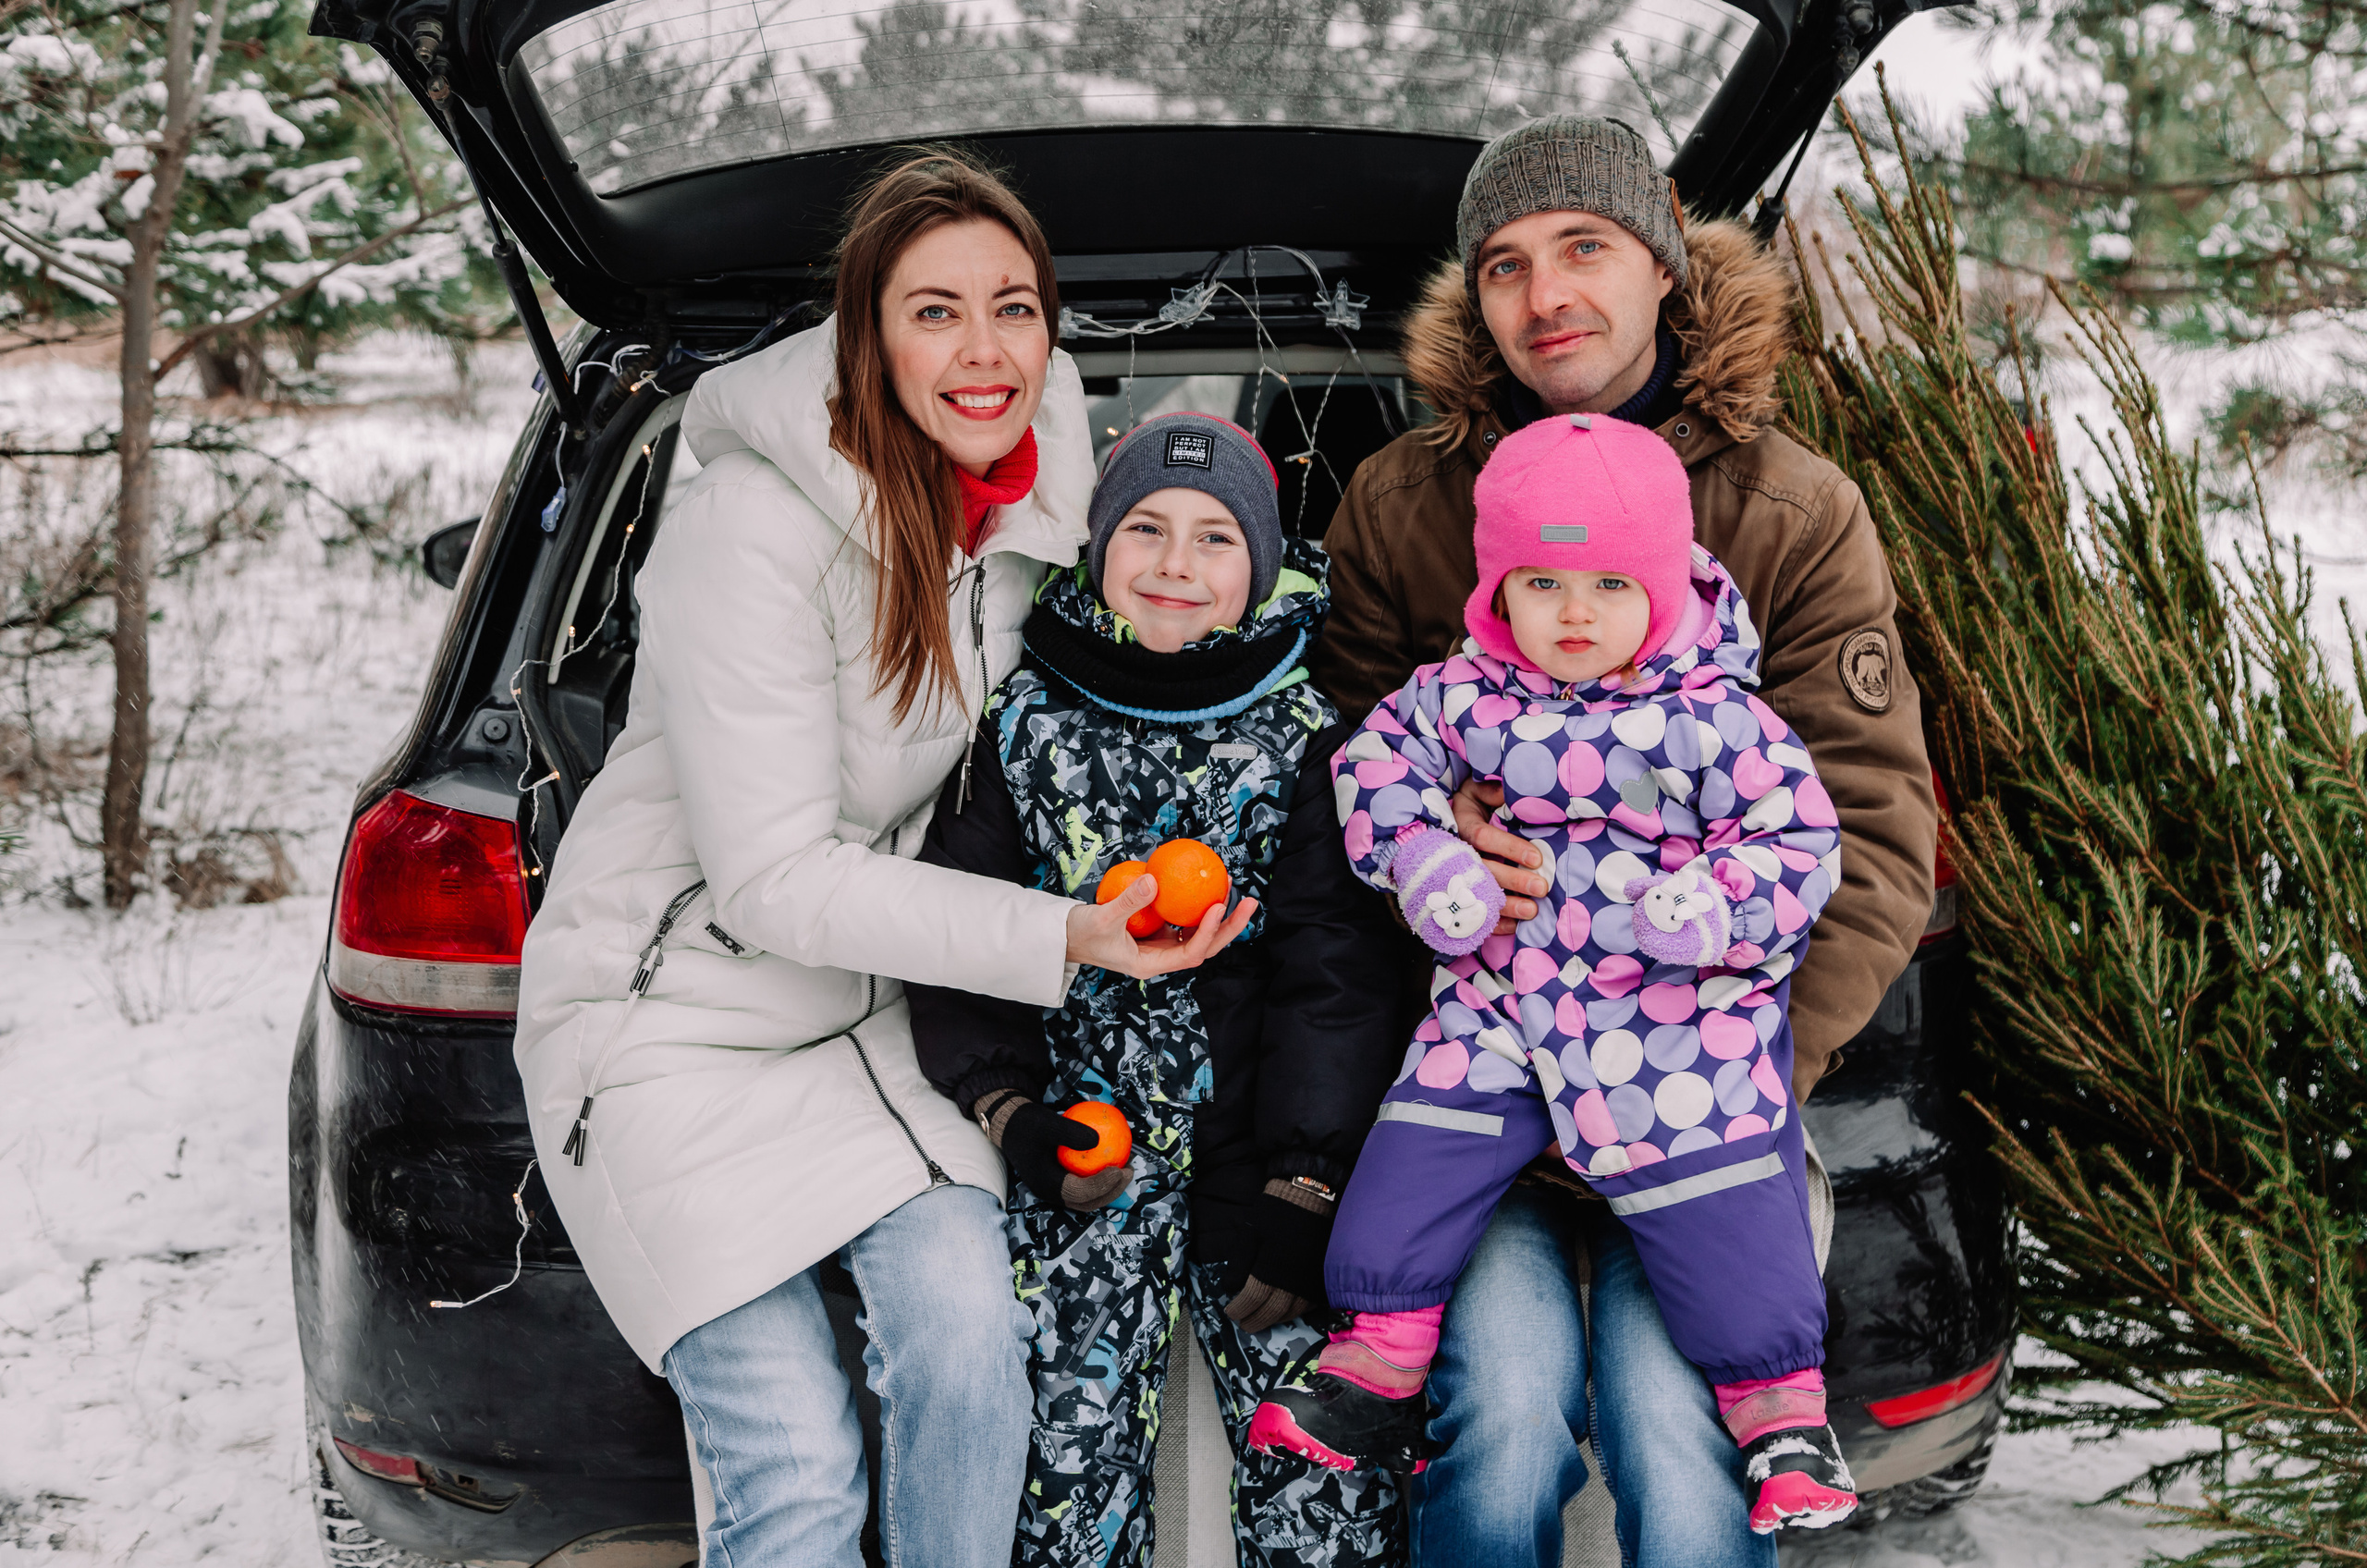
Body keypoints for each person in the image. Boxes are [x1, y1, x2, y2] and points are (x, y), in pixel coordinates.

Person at [512, 153, 1253, 1568]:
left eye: (1015, 309)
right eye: (934, 312)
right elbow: (774, 881)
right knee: (794, 1463)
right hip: (672, 1039)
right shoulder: (750, 530)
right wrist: (1067, 936)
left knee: (977, 1361)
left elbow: (1129, 666)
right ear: (865, 334)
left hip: (876, 1029)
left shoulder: (1040, 503)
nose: (984, 353)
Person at [1308, 116, 1938, 1565]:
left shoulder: (1791, 512)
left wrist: (1724, 1076)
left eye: (1584, 249)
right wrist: (1434, 841)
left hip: (1711, 1102)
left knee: (1682, 1442)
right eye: (1509, 267)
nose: (1547, 299)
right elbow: (1339, 775)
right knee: (1505, 1423)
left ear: (1662, 261)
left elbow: (1873, 837)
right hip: (1487, 1095)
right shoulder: (1408, 507)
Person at [1251, 413, 1857, 1534]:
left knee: (1726, 1191)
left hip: (1668, 1017)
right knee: (1416, 1150)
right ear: (1497, 589)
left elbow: (1801, 843)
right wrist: (1427, 853)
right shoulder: (1461, 692)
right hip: (1503, 1000)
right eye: (1540, 581)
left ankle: (1780, 1413)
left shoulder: (1718, 720)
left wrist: (1717, 905)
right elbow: (1370, 763)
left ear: (1664, 587)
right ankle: (1376, 1353)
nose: (1573, 614)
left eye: (1607, 584)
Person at [907, 412, 1408, 1568]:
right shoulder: (1022, 721)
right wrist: (1009, 1113)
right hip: (1090, 1154)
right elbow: (964, 926)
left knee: (1320, 1477)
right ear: (1093, 548)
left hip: (1256, 1158)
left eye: (1215, 537)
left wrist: (1307, 1179)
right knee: (1063, 1483)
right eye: (1144, 527)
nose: (1176, 562)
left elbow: (1333, 978)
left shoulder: (1306, 737)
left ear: (1265, 569)